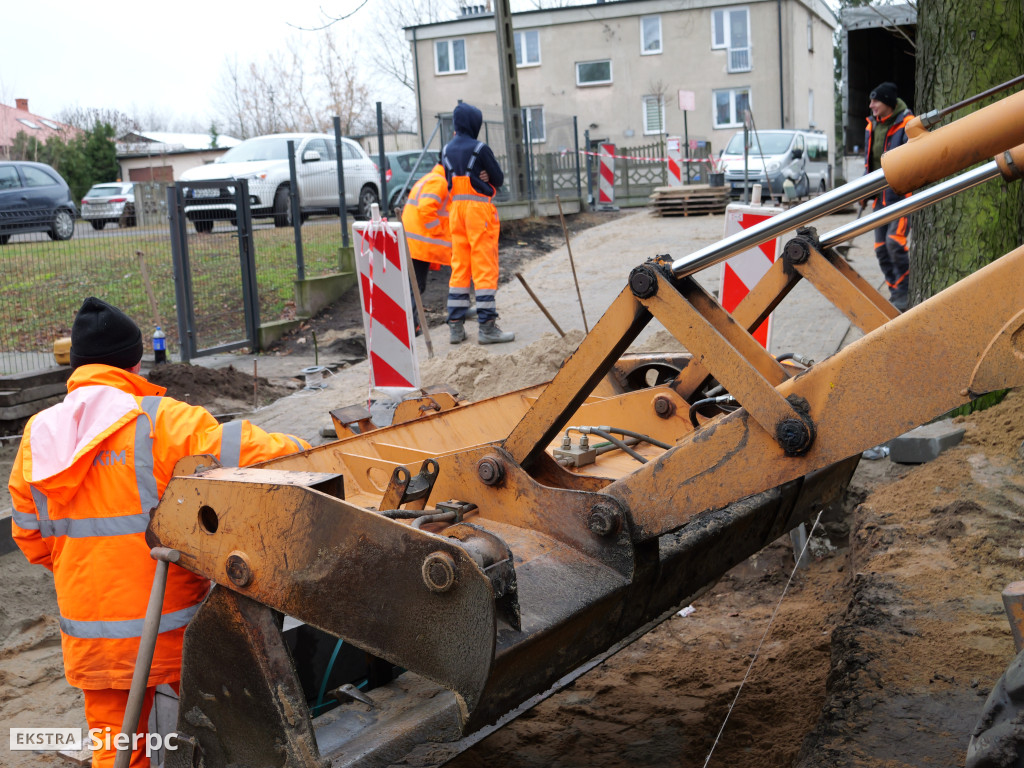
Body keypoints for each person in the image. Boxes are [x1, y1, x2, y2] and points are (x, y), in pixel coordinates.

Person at [8, 297, 311, 768]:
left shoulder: (37, 436)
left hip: (92, 639)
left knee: (118, 747)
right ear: (134, 362)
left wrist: (83, 567)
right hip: (172, 635)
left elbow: (30, 538)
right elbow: (263, 457)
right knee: (191, 744)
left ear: (78, 364)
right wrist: (311, 450)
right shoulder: (165, 422)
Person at [442, 102, 514, 345]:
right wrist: (484, 176)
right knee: (484, 267)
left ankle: (455, 327)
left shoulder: (446, 150)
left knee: (460, 267)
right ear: (475, 124)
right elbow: (499, 178)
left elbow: (449, 180)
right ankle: (487, 328)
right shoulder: (480, 148)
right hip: (478, 213)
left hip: (456, 213)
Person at [864, 81, 914, 312]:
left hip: (902, 196)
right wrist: (865, 193)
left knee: (895, 243)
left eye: (876, 101)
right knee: (881, 247)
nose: (871, 105)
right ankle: (896, 294)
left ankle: (905, 292)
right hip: (880, 199)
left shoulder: (907, 124)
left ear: (887, 103)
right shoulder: (871, 126)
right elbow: (871, 162)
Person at [402, 162, 452, 334]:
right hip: (418, 243)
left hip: (414, 241)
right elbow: (426, 207)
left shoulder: (430, 178)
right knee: (414, 286)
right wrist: (438, 232)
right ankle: (411, 326)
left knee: (415, 285)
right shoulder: (440, 182)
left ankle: (412, 324)